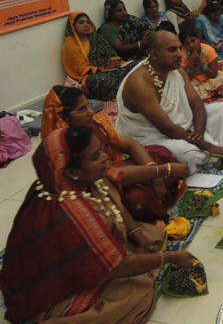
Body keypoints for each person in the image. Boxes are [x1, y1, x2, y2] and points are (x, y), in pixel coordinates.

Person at [0, 126, 196, 324]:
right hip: (46, 293)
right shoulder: (72, 211)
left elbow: (117, 181)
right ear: (72, 171)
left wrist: (139, 238)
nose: (105, 158)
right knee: (135, 298)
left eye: (101, 150)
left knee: (151, 235)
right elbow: (118, 267)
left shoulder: (71, 179)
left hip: (74, 264)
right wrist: (172, 257)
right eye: (96, 156)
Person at [41, 86, 189, 222]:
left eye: (88, 105)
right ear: (64, 118)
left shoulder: (94, 124)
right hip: (100, 186)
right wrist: (161, 171)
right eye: (82, 109)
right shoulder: (67, 147)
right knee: (137, 198)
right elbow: (109, 175)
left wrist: (154, 172)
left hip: (115, 171)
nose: (90, 112)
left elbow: (131, 145)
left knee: (158, 152)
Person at [116, 30, 223, 173]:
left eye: (179, 48)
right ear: (154, 54)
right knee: (190, 154)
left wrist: (198, 133)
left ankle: (207, 146)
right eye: (172, 50)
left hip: (182, 127)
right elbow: (166, 128)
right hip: (150, 136)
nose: (179, 54)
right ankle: (210, 148)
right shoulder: (139, 82)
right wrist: (207, 145)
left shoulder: (176, 70)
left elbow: (196, 103)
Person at [63, 11, 140, 101]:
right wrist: (103, 68)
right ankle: (126, 91)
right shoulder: (71, 46)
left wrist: (115, 61)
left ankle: (131, 89)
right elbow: (82, 71)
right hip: (91, 77)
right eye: (81, 22)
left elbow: (111, 54)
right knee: (98, 80)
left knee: (136, 65)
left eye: (87, 22)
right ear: (73, 26)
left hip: (111, 69)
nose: (86, 25)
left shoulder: (96, 38)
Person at [179, 28, 223, 99]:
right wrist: (191, 64)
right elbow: (188, 79)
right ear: (183, 46)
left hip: (210, 79)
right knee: (183, 90)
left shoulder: (208, 49)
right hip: (194, 80)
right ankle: (213, 92)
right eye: (187, 43)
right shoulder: (182, 54)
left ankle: (202, 92)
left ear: (198, 39)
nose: (191, 45)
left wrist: (200, 63)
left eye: (193, 41)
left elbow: (214, 75)